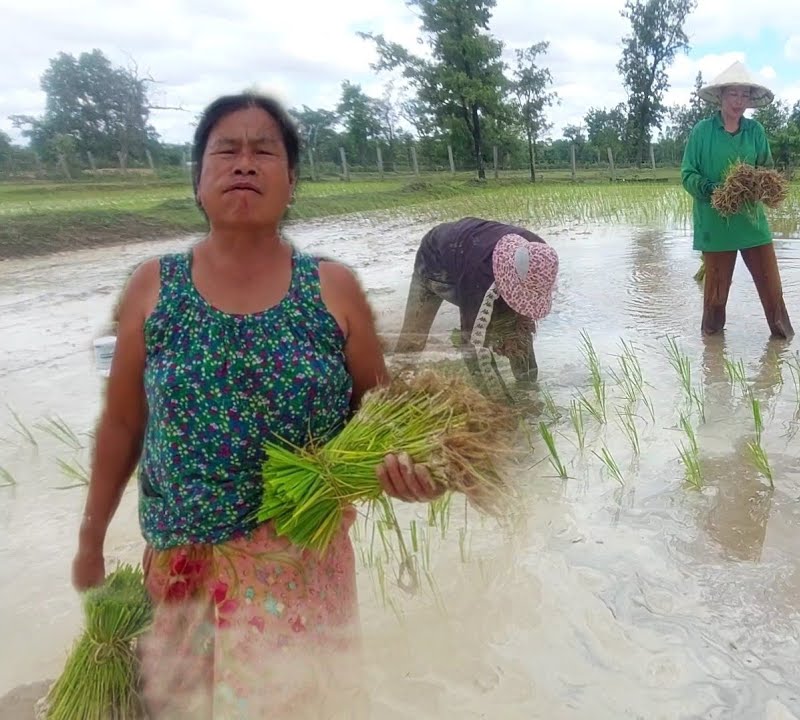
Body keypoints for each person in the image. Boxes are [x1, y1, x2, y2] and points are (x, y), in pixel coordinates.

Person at [70, 92, 441, 718]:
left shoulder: (333, 287)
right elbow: (124, 422)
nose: (245, 163)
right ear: (197, 181)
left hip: (301, 567)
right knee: (186, 707)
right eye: (226, 151)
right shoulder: (151, 286)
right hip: (182, 566)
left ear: (291, 182)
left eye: (264, 150)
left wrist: (408, 475)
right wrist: (91, 540)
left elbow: (380, 421)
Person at [681, 61, 794, 340]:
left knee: (772, 290)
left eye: (744, 95)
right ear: (721, 96)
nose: (739, 101)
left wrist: (758, 184)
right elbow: (687, 174)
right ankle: (712, 356)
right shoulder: (702, 132)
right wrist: (711, 189)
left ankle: (783, 344)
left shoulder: (755, 132)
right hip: (715, 224)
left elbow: (766, 168)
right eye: (733, 94)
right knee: (715, 298)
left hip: (752, 223)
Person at [393, 218, 558, 382]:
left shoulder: (540, 254)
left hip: (472, 246)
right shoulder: (478, 280)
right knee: (413, 338)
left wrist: (529, 396)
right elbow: (473, 346)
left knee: (519, 334)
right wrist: (498, 405)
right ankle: (396, 385)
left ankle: (526, 381)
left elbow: (523, 312)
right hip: (435, 260)